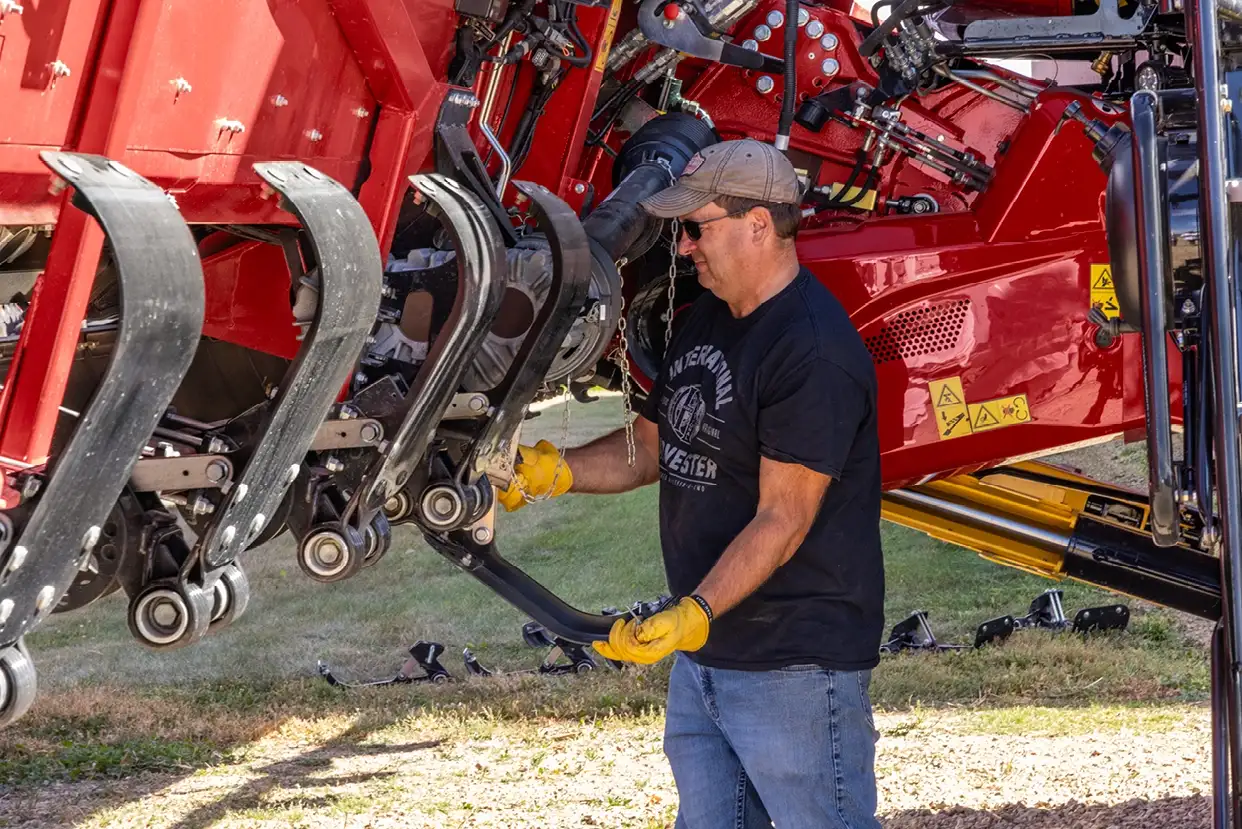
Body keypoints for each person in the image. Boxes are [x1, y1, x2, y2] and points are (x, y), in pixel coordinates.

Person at [497, 138, 885, 829]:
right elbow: (648, 451)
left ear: (758, 225)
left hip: (793, 659)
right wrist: (548, 470)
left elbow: (783, 518)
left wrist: (694, 611)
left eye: (696, 227)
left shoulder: (813, 351)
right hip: (706, 654)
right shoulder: (704, 317)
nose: (684, 248)